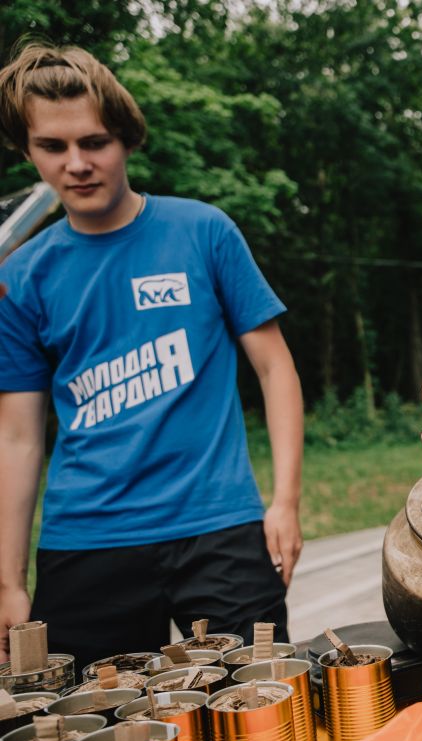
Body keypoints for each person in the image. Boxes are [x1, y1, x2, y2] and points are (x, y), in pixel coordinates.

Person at [0, 44, 304, 672]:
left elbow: (275, 369)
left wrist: (286, 501)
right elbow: (18, 437)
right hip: (85, 542)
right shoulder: (22, 276)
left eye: (96, 142)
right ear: (28, 151)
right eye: (53, 147)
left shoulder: (203, 231)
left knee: (262, 713)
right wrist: (7, 580)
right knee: (96, 739)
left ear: (128, 138)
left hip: (219, 527)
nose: (77, 164)